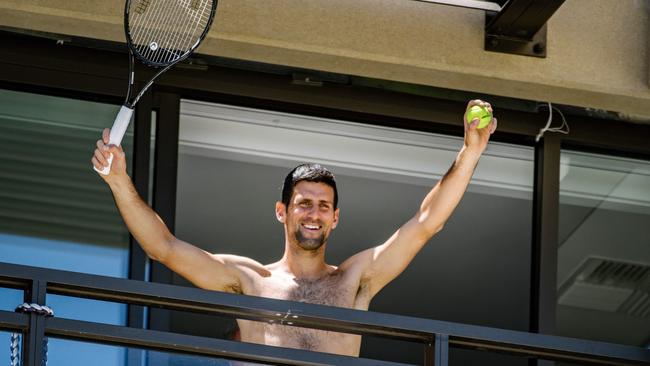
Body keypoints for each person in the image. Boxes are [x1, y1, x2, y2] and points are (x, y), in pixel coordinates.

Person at [91, 99, 497, 357]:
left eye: (323, 207)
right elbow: (163, 247)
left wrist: (469, 152)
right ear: (282, 212)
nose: (313, 214)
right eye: (304, 204)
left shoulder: (355, 279)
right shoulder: (249, 280)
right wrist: (119, 181)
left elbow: (427, 223)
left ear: (335, 218)